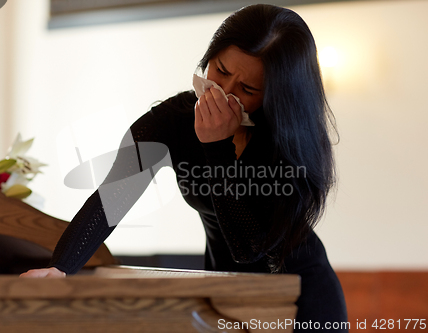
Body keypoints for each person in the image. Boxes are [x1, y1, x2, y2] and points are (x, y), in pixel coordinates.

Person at [21, 4, 348, 331]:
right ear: (210, 56)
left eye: (247, 89)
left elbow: (248, 246)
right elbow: (113, 196)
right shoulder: (174, 119)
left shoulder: (286, 140)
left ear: (276, 95)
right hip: (225, 295)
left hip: (300, 296)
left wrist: (215, 146)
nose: (224, 92)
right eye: (220, 70)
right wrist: (61, 267)